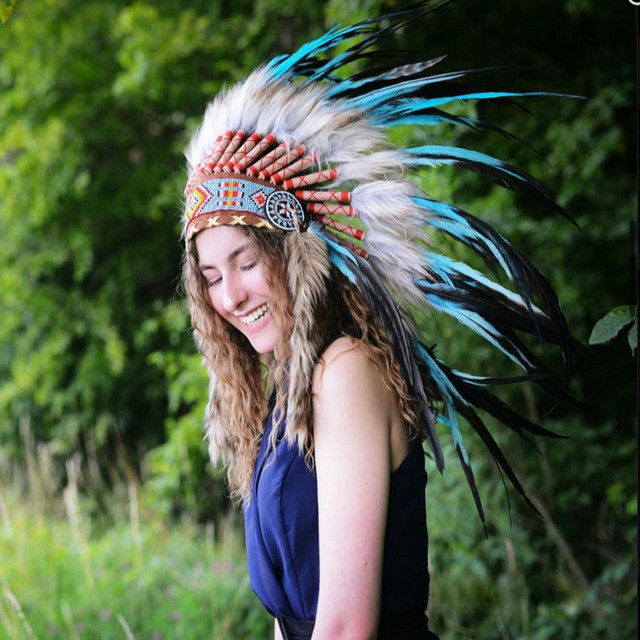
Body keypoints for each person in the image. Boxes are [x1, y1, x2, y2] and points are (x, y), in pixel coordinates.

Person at [181, 3, 572, 638]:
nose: (230, 295)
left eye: (246, 262)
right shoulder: (288, 392)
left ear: (297, 255)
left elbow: (344, 626)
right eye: (211, 276)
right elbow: (288, 619)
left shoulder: (346, 372)